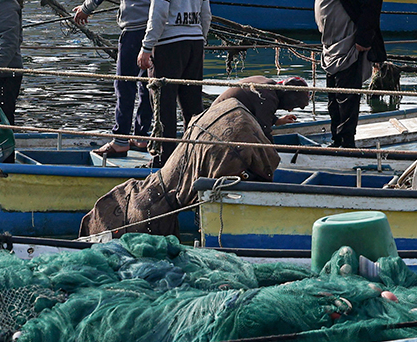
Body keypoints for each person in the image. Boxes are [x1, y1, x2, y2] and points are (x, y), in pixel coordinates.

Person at [82, 77, 309, 237]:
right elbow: (263, 131)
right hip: (222, 136)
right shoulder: (268, 96)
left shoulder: (266, 84)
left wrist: (276, 123)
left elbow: (259, 119)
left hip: (205, 126)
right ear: (289, 98)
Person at [74, 0, 158, 156]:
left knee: (124, 84)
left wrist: (85, 9)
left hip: (133, 29)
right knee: (146, 85)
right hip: (157, 29)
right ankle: (142, 138)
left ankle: (120, 140)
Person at [311, 0, 385, 149]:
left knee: (347, 97)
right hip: (330, 44)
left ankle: (346, 143)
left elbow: (372, 0)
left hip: (349, 42)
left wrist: (364, 38)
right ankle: (336, 139)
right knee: (333, 97)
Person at [139, 0, 212, 153]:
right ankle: (193, 155)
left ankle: (165, 159)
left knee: (164, 106)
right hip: (194, 42)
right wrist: (201, 39)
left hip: (169, 44)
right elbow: (206, 14)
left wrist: (147, 46)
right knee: (193, 107)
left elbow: (159, 12)